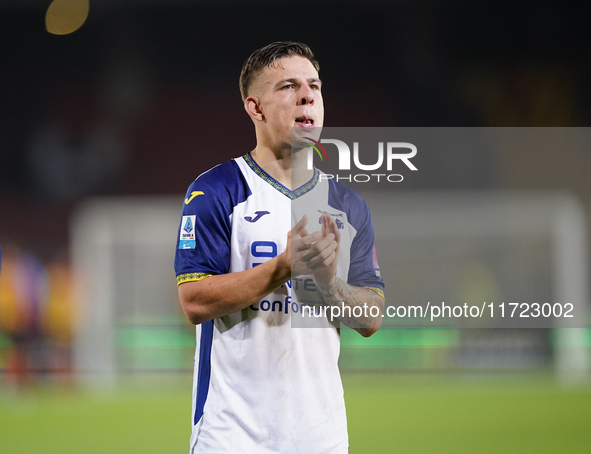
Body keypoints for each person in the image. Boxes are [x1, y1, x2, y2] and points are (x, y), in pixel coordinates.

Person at [174, 41, 385, 454]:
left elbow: (371, 317)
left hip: (321, 438)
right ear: (256, 108)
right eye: (288, 86)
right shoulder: (217, 190)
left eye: (314, 86)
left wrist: (327, 282)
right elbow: (194, 301)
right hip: (232, 436)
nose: (307, 95)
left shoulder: (347, 204)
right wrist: (283, 267)